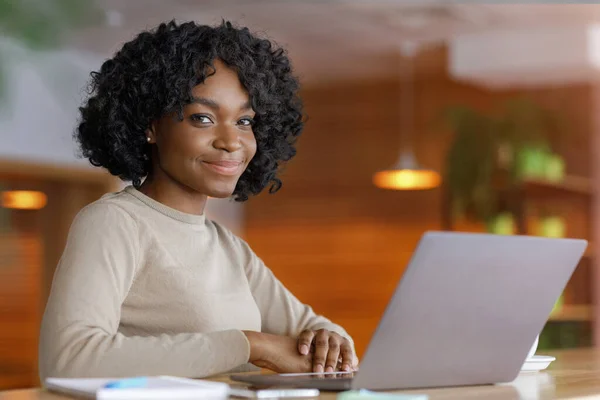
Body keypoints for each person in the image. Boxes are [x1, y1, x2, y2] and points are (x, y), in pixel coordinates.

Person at [38, 20, 357, 380]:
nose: (231, 141)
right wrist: (251, 345)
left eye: (245, 121)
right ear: (150, 126)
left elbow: (320, 332)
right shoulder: (114, 222)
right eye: (203, 118)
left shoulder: (227, 247)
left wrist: (330, 340)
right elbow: (69, 359)